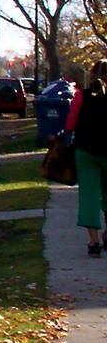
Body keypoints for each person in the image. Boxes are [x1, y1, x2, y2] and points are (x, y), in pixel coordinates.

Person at [66, 59, 107, 256]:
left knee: (89, 195)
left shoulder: (82, 96)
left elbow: (71, 125)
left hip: (86, 151)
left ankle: (93, 241)